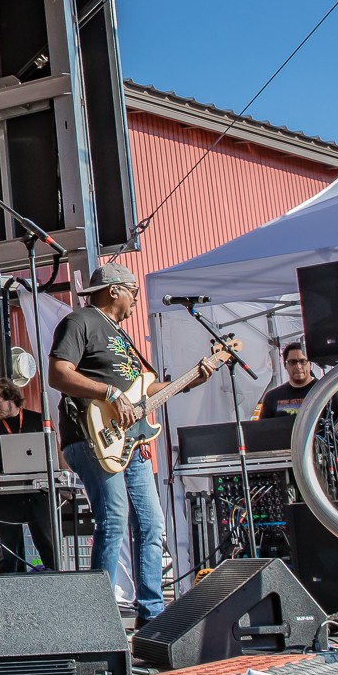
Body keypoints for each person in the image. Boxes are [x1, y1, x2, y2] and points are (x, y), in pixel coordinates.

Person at [49, 263, 217, 626]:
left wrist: (190, 380)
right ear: (114, 290)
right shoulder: (81, 322)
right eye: (133, 293)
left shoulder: (121, 336)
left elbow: (143, 391)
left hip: (132, 441)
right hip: (92, 436)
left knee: (152, 524)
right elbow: (59, 374)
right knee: (113, 518)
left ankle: (151, 614)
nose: (136, 302)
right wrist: (108, 392)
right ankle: (99, 619)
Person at [0, 374, 57, 573]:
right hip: (7, 496)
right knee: (8, 551)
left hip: (37, 493)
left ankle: (57, 586)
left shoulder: (38, 421)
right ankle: (9, 594)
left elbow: (53, 453)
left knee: (48, 546)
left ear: (11, 397)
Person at [256, 342, 317, 418]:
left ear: (310, 363)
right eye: (292, 362)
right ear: (285, 365)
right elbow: (263, 428)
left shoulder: (326, 391)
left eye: (303, 361)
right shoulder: (271, 397)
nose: (298, 367)